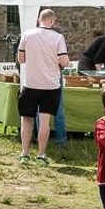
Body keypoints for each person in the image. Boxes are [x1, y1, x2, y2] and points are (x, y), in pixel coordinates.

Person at [17, 9, 69, 166]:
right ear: (52, 21)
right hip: (50, 85)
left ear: (39, 20)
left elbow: (21, 59)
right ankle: (41, 155)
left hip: (31, 83)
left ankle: (25, 154)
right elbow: (64, 62)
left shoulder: (27, 35)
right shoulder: (58, 37)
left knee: (27, 120)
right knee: (45, 121)